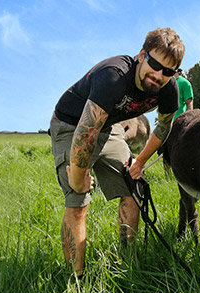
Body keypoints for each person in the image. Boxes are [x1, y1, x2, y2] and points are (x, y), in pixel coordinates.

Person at [49, 27, 185, 278]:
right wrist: (79, 178)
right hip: (72, 124)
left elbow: (164, 126)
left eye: (168, 71)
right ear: (142, 54)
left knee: (134, 187)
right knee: (78, 198)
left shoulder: (169, 89)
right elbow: (86, 131)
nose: (158, 75)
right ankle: (75, 281)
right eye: (154, 64)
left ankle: (127, 263)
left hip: (108, 127)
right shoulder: (114, 75)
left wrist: (140, 162)